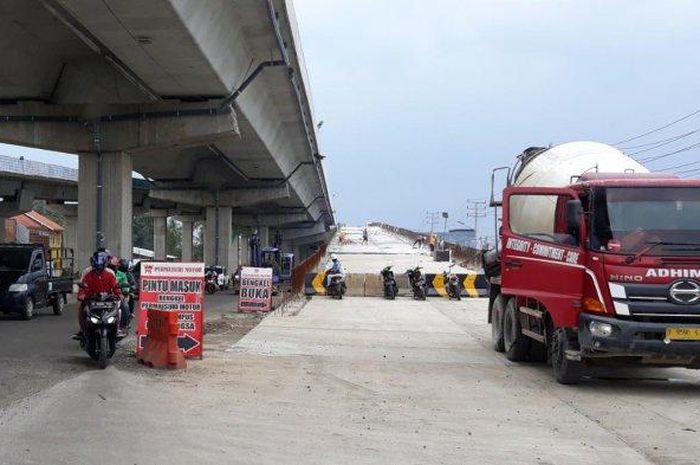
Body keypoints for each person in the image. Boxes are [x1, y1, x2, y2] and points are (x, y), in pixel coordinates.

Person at [74, 250, 122, 339]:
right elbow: (83, 287)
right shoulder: (87, 274)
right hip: (92, 300)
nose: (98, 269)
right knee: (82, 309)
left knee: (118, 310)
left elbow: (115, 286)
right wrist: (82, 295)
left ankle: (117, 329)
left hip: (107, 300)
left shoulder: (110, 274)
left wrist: (119, 294)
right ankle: (83, 330)